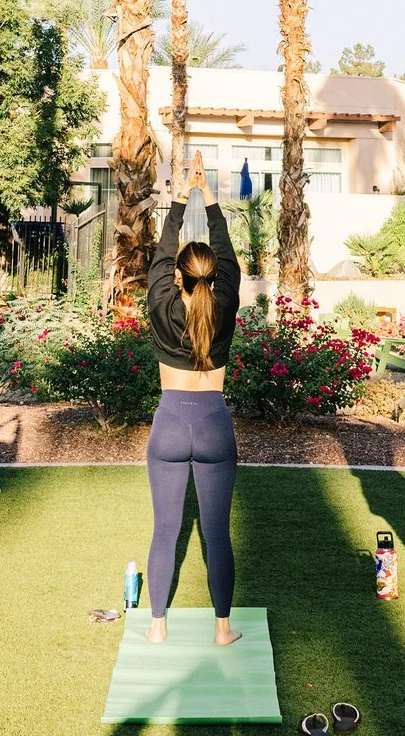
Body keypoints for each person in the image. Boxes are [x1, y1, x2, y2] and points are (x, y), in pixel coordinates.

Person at [142, 150, 243, 647]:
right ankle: (222, 629)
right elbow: (226, 260)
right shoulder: (223, 306)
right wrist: (212, 198)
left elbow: (161, 256)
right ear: (212, 278)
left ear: (178, 278)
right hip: (214, 425)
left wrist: (183, 197)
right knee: (216, 534)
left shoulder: (162, 305)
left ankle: (157, 625)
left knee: (166, 531)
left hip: (169, 424)